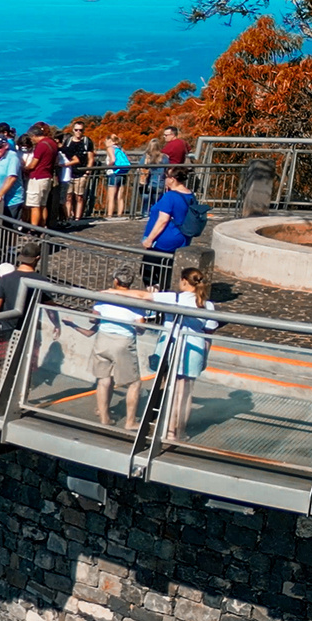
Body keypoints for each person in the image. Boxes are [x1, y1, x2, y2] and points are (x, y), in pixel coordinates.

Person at [151, 267, 219, 441]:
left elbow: (143, 297)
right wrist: (204, 357)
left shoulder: (172, 298)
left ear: (183, 280)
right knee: (185, 393)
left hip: (171, 346)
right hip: (195, 349)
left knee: (170, 389)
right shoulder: (208, 305)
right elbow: (208, 334)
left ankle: (167, 428)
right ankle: (179, 431)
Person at [89, 266, 149, 429]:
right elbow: (141, 328)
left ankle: (104, 417)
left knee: (104, 379)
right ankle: (130, 422)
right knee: (134, 383)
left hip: (103, 338)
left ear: (116, 281)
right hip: (123, 341)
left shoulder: (104, 296)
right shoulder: (136, 302)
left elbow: (93, 318)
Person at [141, 166, 196, 254]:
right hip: (182, 238)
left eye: (166, 177)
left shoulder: (170, 196)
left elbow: (163, 220)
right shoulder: (190, 195)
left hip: (164, 240)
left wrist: (149, 239)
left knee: (151, 262)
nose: (165, 179)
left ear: (172, 180)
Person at [24, 123, 59, 228]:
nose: (32, 140)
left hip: (37, 177)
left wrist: (25, 168)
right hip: (47, 176)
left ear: (34, 135)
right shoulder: (52, 143)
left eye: (31, 138)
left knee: (34, 205)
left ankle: (34, 229)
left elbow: (33, 164)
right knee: (43, 205)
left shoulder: (41, 145)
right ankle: (43, 227)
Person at [61, 121, 95, 221]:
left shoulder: (87, 141)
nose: (78, 132)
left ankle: (77, 218)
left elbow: (91, 158)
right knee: (68, 197)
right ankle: (67, 218)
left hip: (81, 174)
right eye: (76, 130)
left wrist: (87, 173)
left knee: (79, 197)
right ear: (73, 130)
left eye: (80, 130)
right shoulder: (68, 141)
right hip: (69, 173)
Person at [103, 134, 132, 218]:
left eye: (106, 141)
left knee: (111, 197)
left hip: (114, 173)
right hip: (123, 172)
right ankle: (120, 215)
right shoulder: (120, 148)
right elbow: (129, 159)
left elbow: (113, 160)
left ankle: (110, 215)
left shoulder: (110, 148)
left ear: (110, 141)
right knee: (120, 196)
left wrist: (107, 167)